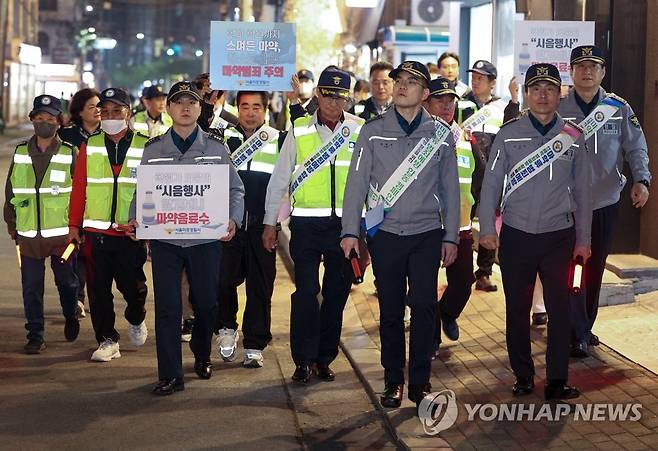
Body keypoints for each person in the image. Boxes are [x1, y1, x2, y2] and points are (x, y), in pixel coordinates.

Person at [341, 62, 459, 409]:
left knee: (424, 307)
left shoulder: (440, 134)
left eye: (412, 83)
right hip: (386, 235)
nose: (402, 87)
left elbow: (450, 190)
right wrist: (351, 231)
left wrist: (450, 236)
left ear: (425, 94)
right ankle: (393, 379)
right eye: (399, 81)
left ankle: (420, 382)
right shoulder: (372, 131)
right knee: (390, 310)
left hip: (426, 234)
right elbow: (356, 185)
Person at [479, 63, 592, 401]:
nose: (543, 95)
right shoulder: (508, 133)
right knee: (518, 309)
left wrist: (584, 240)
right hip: (517, 235)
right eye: (536, 88)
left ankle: (556, 380)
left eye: (550, 88)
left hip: (559, 236)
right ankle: (523, 375)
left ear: (561, 94)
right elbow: (491, 186)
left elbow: (584, 193)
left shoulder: (573, 135)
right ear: (526, 94)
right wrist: (487, 228)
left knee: (560, 310)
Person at [130, 81, 244, 395]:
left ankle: (202, 350)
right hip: (166, 241)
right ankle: (170, 374)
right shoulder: (153, 150)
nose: (185, 108)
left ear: (199, 108)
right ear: (168, 108)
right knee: (167, 308)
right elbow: (143, 189)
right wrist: (135, 216)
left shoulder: (216, 148)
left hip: (205, 240)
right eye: (178, 102)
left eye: (191, 103)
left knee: (207, 305)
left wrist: (233, 218)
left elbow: (235, 189)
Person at [263, 67, 364, 384]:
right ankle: (303, 360)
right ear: (318, 94)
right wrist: (270, 223)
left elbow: (371, 181)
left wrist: (367, 231)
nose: (334, 102)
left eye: (340, 96)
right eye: (328, 94)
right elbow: (280, 178)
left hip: (345, 230)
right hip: (306, 225)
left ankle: (324, 357)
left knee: (337, 294)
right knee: (306, 292)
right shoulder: (300, 130)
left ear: (348, 99)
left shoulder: (360, 131)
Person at [559, 45, 651, 357]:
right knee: (572, 267)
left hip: (604, 201)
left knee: (595, 268)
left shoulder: (618, 108)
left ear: (603, 72)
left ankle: (584, 324)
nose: (587, 71)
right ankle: (576, 331)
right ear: (571, 71)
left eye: (593, 66)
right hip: (565, 205)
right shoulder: (556, 108)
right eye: (581, 65)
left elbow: (636, 146)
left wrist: (642, 179)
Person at [68, 87, 149, 362]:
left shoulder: (145, 145)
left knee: (133, 288)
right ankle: (107, 340)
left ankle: (136, 318)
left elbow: (154, 190)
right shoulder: (89, 146)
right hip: (96, 233)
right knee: (98, 291)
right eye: (106, 111)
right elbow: (79, 188)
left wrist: (147, 225)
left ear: (128, 113)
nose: (111, 116)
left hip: (130, 234)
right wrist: (74, 225)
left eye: (117, 110)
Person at [4, 95, 80, 354]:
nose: (44, 122)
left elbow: (81, 193)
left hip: (63, 237)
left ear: (59, 122)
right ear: (32, 120)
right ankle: (35, 334)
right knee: (31, 287)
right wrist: (11, 222)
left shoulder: (71, 153)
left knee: (68, 283)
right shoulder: (21, 152)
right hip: (28, 235)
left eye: (50, 118)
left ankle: (70, 313)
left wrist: (76, 227)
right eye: (39, 118)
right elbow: (11, 190)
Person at [215, 91, 280, 368]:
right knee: (222, 281)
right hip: (227, 224)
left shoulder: (278, 140)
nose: (250, 112)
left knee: (260, 286)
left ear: (265, 110)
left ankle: (254, 343)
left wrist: (273, 223)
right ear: (237, 109)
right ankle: (226, 329)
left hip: (261, 226)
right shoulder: (222, 138)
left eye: (256, 107)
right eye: (245, 106)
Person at [422, 77, 475, 351]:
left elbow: (477, 180)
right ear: (426, 102)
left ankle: (448, 313)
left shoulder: (465, 139)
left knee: (464, 282)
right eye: (439, 100)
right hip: (428, 226)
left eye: (450, 100)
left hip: (461, 226)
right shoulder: (417, 138)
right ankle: (430, 341)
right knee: (425, 289)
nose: (446, 106)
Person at [457, 60, 510, 293]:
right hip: (465, 172)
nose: (475, 81)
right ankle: (460, 270)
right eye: (474, 77)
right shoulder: (461, 104)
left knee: (489, 221)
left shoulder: (502, 108)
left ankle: (484, 272)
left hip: (491, 173)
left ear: (492, 82)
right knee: (463, 223)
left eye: (481, 78)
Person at [58, 87, 102, 318]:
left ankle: (87, 297)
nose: (97, 111)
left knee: (91, 254)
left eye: (99, 106)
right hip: (71, 202)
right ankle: (77, 298)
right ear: (80, 111)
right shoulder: (67, 136)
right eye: (92, 106)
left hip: (98, 204)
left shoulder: (108, 135)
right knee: (73, 253)